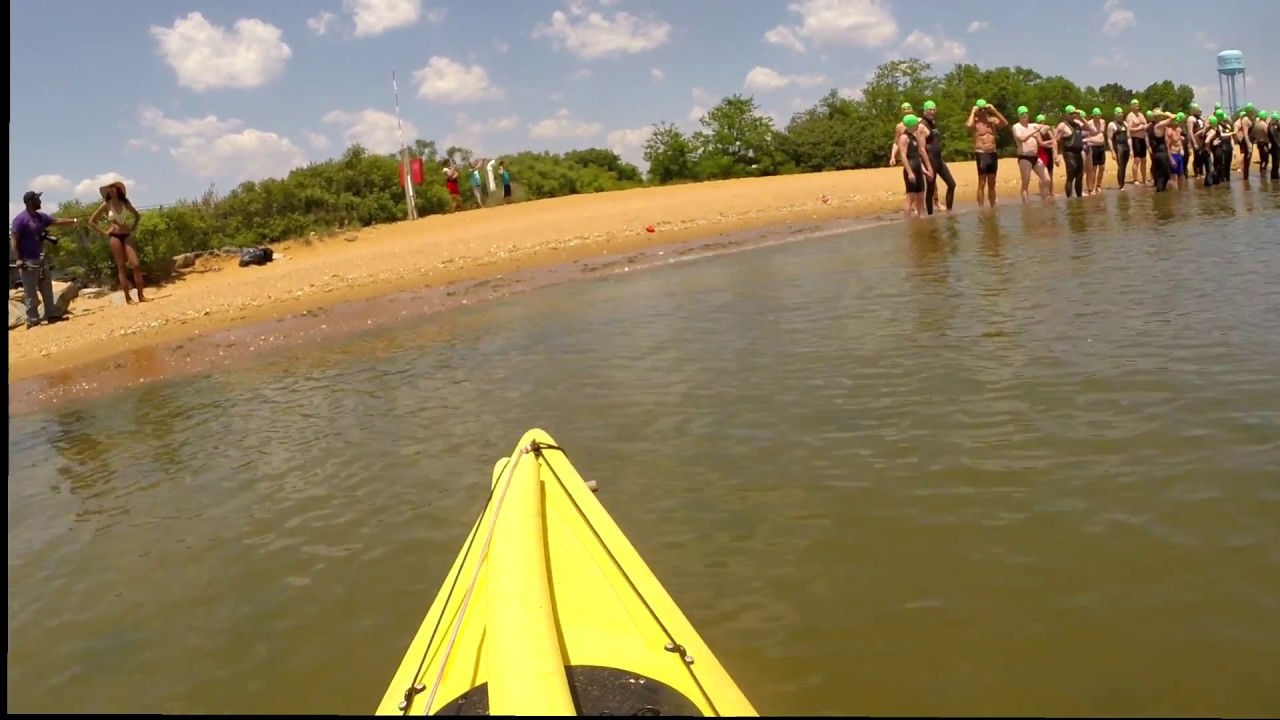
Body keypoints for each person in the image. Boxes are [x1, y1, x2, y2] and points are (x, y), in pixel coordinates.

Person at [10, 191, 81, 328]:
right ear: (31, 201)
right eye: (38, 199)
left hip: (41, 259)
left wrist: (74, 221)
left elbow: (56, 221)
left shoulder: (40, 217)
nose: (40, 201)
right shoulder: (21, 219)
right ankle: (33, 319)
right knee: (30, 291)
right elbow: (14, 240)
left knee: (46, 288)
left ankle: (52, 314)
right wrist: (18, 259)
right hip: (27, 261)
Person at [87, 181, 146, 303]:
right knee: (121, 266)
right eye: (110, 189)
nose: (112, 190)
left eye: (114, 188)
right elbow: (91, 221)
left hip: (126, 234)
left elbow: (137, 215)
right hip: (114, 235)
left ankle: (141, 295)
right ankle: (127, 297)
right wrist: (104, 232)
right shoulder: (106, 205)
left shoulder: (125, 203)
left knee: (135, 264)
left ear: (118, 190)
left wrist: (132, 228)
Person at [966, 99, 1007, 208]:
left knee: (992, 183)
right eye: (981, 109)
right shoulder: (975, 121)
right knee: (982, 183)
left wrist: (994, 110)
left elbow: (1004, 123)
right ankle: (981, 208)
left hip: (992, 153)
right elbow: (968, 126)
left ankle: (993, 207)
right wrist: (973, 111)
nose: (983, 111)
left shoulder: (992, 121)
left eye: (984, 109)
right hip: (982, 153)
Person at [919, 100, 956, 215]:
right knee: (930, 190)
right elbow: (921, 149)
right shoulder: (922, 126)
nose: (932, 112)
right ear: (925, 111)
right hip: (930, 161)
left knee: (952, 184)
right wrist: (928, 167)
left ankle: (949, 212)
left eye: (934, 109)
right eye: (930, 110)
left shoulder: (933, 123)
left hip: (938, 160)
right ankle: (930, 216)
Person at [897, 113, 933, 220]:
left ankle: (921, 217)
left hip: (918, 167)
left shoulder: (914, 136)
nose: (918, 124)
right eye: (916, 123)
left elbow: (917, 156)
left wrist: (925, 171)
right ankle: (907, 220)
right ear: (912, 124)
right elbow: (903, 156)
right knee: (910, 197)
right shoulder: (904, 137)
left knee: (921, 195)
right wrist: (910, 172)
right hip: (911, 168)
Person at [1011, 106, 1051, 202]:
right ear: (1019, 116)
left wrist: (1046, 131)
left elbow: (1043, 132)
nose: (1025, 115)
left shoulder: (1033, 125)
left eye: (1026, 113)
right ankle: (1026, 205)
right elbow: (1021, 138)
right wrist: (1035, 131)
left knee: (1047, 179)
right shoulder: (1016, 127)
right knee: (1026, 183)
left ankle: (1045, 201)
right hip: (1024, 157)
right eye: (1022, 113)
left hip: (1035, 157)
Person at [1055, 105, 1087, 198]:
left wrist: (1081, 117)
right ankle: (1069, 199)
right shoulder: (1062, 125)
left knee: (1079, 177)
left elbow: (1087, 126)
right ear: (1066, 114)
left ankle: (1079, 199)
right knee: (1071, 175)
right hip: (1069, 153)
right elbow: (1055, 141)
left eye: (1074, 113)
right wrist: (1056, 156)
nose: (1073, 115)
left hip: (1078, 153)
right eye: (1071, 113)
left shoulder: (1077, 123)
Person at [1147, 110, 1176, 192]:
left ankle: (1159, 197)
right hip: (1162, 153)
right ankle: (1160, 192)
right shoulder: (1159, 125)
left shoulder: (1149, 126)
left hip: (1155, 153)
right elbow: (1174, 117)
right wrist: (1164, 113)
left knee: (1159, 175)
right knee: (1165, 175)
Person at [1125, 99, 1150, 186]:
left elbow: (1146, 125)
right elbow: (1129, 130)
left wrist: (1143, 127)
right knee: (1137, 160)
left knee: (1144, 160)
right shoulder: (1130, 116)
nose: (1137, 106)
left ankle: (1144, 178)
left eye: (1137, 104)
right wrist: (1140, 128)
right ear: (1131, 106)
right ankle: (1135, 179)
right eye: (1135, 104)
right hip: (1135, 139)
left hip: (1143, 139)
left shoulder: (1141, 115)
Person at [1107, 107, 1132, 190]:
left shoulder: (1125, 123)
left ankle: (1122, 183)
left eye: (1121, 113)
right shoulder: (1112, 125)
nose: (1120, 114)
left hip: (1126, 147)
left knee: (1124, 166)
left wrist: (1131, 149)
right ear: (1115, 115)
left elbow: (1128, 137)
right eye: (1118, 113)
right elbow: (1109, 139)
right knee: (1120, 166)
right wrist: (1112, 152)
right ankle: (1121, 185)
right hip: (1118, 147)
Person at [1086, 107, 1108, 193]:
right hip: (1093, 147)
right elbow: (1087, 137)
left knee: (1102, 167)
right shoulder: (1089, 123)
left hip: (1101, 147)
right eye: (1096, 115)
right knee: (1093, 168)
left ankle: (1098, 185)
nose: (1098, 117)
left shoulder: (1103, 122)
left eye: (1099, 115)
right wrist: (1095, 139)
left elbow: (1101, 134)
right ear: (1093, 115)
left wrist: (1095, 138)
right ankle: (1092, 186)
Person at [888, 102, 915, 167]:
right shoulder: (900, 126)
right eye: (905, 113)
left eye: (908, 112)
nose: (907, 113)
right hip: (908, 156)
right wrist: (893, 156)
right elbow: (896, 143)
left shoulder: (920, 122)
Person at [1185, 104, 1206, 178]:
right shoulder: (1191, 119)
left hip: (1202, 141)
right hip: (1196, 140)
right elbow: (1190, 132)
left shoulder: (1200, 118)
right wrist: (1194, 143)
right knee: (1197, 157)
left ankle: (1201, 172)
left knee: (1202, 157)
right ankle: (1197, 173)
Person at [1168, 113, 1188, 190]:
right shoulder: (1169, 131)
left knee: (1181, 175)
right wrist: (1171, 159)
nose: (1178, 124)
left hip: (1179, 155)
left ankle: (1180, 194)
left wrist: (1182, 149)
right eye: (1177, 122)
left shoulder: (1179, 129)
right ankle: (1173, 195)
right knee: (1173, 177)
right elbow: (1168, 146)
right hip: (1173, 155)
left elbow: (1179, 141)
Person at [1234, 109, 1252, 180]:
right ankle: (1240, 167)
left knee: (1244, 154)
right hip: (1242, 139)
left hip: (1242, 139)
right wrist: (1240, 139)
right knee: (1243, 154)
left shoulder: (1239, 122)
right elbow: (1236, 132)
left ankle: (1242, 166)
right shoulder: (1238, 123)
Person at [1252, 109, 1271, 177]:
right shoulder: (1264, 125)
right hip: (1264, 143)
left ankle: (1261, 173)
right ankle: (1263, 173)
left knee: (1262, 158)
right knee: (1266, 159)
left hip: (1258, 143)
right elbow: (1268, 133)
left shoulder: (1256, 124)